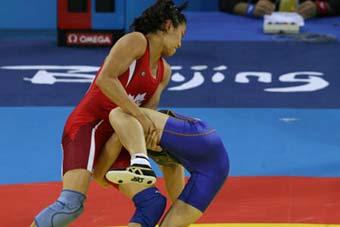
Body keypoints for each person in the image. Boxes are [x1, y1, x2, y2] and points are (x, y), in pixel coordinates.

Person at [30, 0, 187, 226]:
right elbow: (106, 79)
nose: (181, 43)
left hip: (117, 136)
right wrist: (140, 117)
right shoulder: (136, 41)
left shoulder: (164, 72)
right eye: (181, 34)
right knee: (70, 205)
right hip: (88, 126)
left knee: (152, 204)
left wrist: (146, 133)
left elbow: (143, 118)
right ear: (167, 26)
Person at [94, 108, 230, 226]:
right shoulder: (162, 153)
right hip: (215, 166)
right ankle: (141, 160)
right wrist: (179, 207)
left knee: (120, 113)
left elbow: (119, 133)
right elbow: (172, 169)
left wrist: (100, 176)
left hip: (200, 137)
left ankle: (140, 161)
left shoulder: (128, 126)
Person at [219, 0, 340, 19]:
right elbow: (225, 2)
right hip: (260, 31)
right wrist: (250, 9)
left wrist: (320, 7)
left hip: (312, 30)